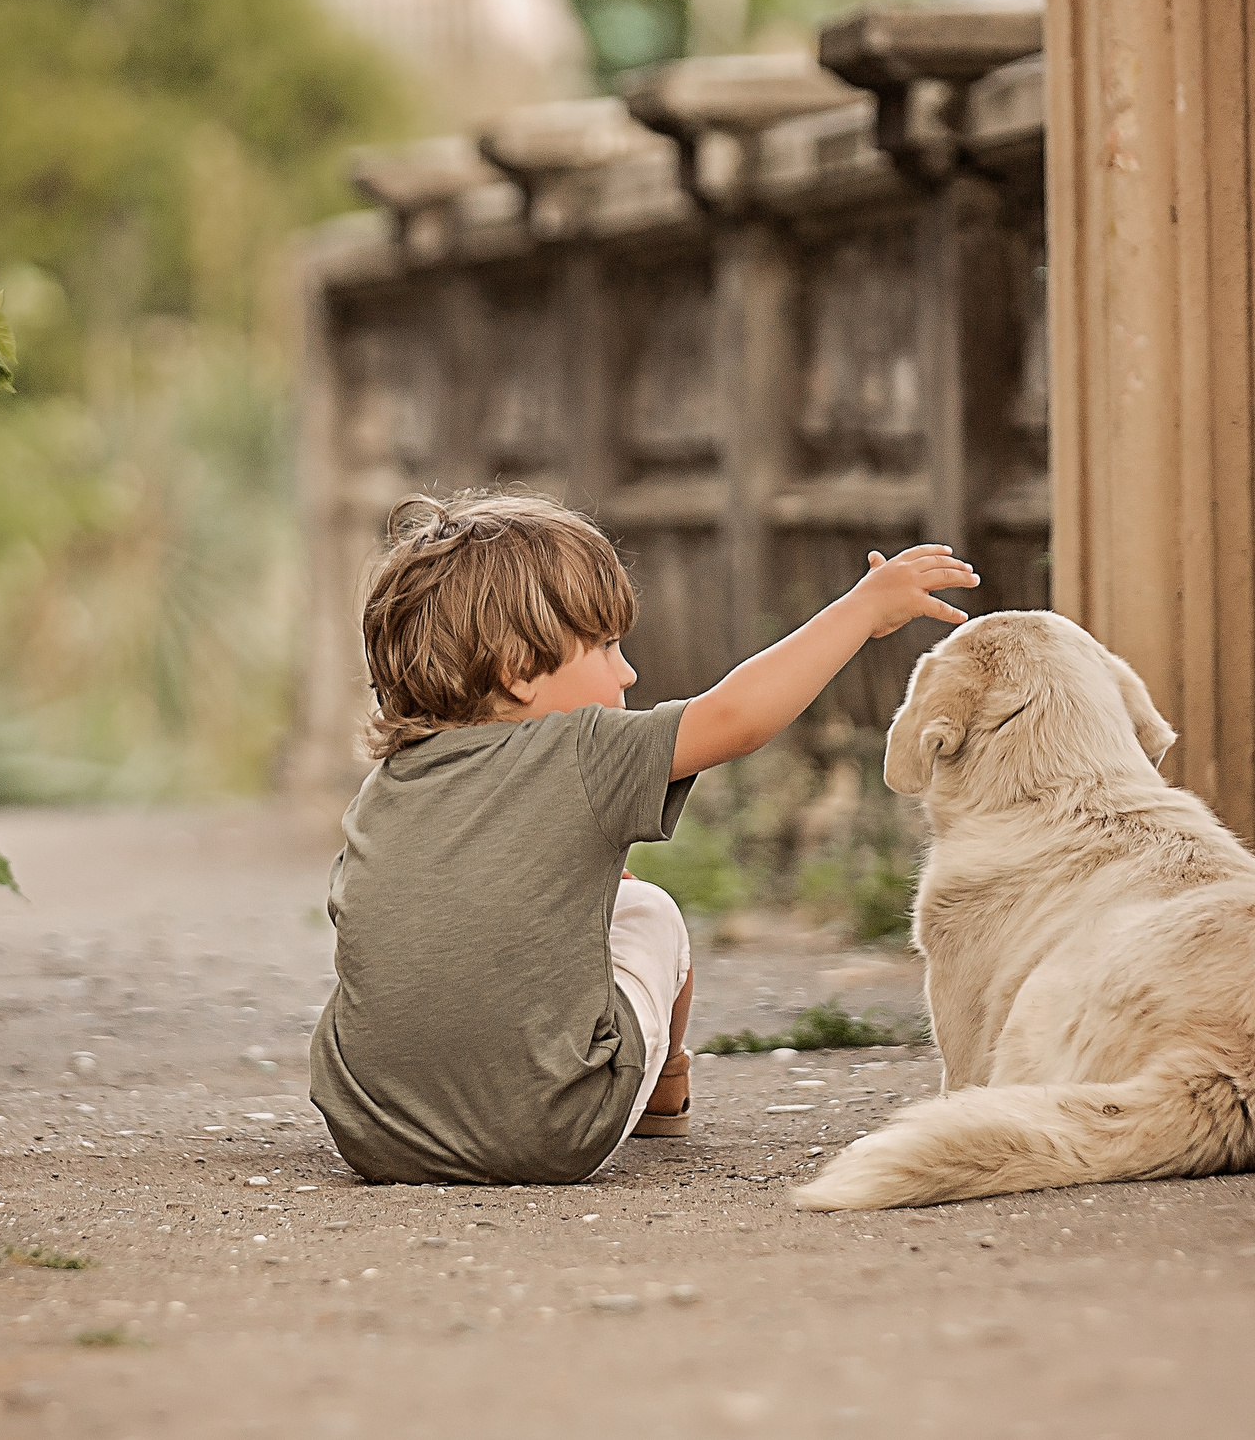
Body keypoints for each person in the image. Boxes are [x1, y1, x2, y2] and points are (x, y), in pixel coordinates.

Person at [308, 489, 977, 1185]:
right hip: (552, 1127)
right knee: (650, 911)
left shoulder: (386, 787)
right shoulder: (583, 749)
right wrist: (862, 609)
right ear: (517, 670)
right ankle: (661, 1090)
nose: (627, 671)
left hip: (372, 1132)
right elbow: (738, 716)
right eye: (605, 646)